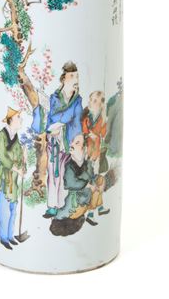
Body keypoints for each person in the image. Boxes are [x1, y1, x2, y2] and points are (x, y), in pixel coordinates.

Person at [42, 61, 83, 218]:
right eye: (72, 76)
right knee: (53, 174)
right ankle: (52, 206)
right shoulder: (55, 97)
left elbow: (76, 119)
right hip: (55, 141)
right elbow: (53, 117)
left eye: (76, 76)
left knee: (65, 173)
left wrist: (77, 139)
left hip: (69, 140)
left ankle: (62, 205)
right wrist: (64, 119)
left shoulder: (77, 100)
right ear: (64, 78)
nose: (75, 79)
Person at [55, 134, 106, 227]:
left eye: (77, 143)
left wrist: (97, 183)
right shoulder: (69, 166)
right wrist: (88, 185)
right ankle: (90, 213)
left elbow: (91, 177)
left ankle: (93, 212)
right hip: (76, 201)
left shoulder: (87, 163)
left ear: (84, 149)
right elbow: (70, 183)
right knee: (93, 189)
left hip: (87, 197)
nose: (72, 145)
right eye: (73, 142)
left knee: (99, 180)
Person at [0, 107, 27, 250]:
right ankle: (3, 238)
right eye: (18, 117)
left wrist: (23, 162)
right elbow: (2, 156)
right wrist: (16, 168)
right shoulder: (3, 135)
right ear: (11, 120)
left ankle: (10, 236)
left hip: (14, 181)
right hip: (4, 179)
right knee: (4, 211)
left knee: (13, 210)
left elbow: (20, 162)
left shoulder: (17, 139)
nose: (21, 119)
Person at [81, 91, 110, 218]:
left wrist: (96, 136)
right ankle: (91, 211)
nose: (97, 104)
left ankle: (99, 207)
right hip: (86, 152)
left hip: (97, 152)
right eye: (94, 100)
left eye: (100, 101)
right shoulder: (86, 116)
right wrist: (89, 135)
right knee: (91, 181)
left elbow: (103, 134)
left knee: (97, 180)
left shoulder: (102, 118)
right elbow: (83, 131)